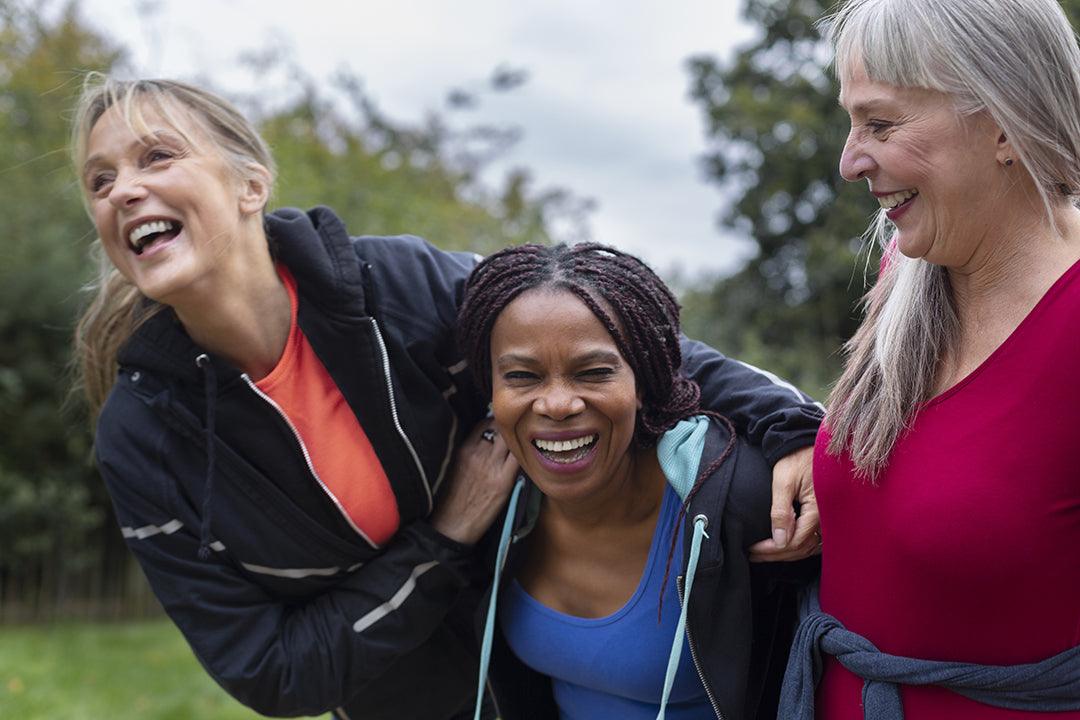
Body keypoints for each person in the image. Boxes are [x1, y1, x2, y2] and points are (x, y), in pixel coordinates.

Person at [71, 73, 824, 720]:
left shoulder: (394, 288)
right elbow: (270, 669)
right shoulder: (142, 433)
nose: (124, 190)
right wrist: (445, 537)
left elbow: (611, 347)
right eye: (99, 180)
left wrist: (792, 429)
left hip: (543, 676)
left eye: (156, 156)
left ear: (250, 185)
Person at [779, 1, 1080, 718]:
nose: (850, 161)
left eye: (881, 125)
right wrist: (803, 447)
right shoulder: (907, 270)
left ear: (1004, 124)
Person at [455, 243, 819, 720]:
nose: (557, 404)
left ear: (643, 381)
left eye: (594, 372)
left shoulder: (740, 498)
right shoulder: (493, 498)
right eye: (523, 376)